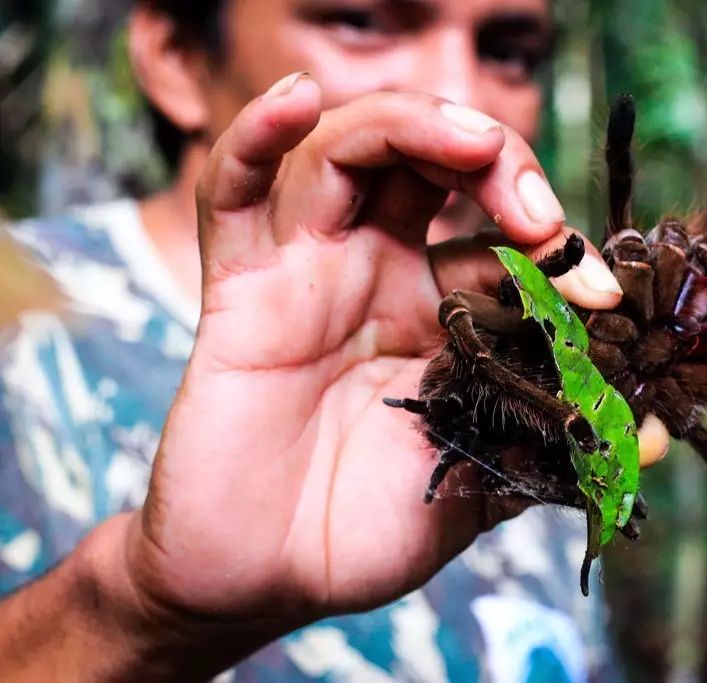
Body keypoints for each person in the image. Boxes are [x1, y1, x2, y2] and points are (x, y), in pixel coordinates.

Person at [0, 0, 669, 680]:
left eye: (509, 52)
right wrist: (135, 615)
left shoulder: (534, 374)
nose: (465, 98)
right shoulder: (17, 312)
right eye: (360, 22)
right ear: (177, 56)